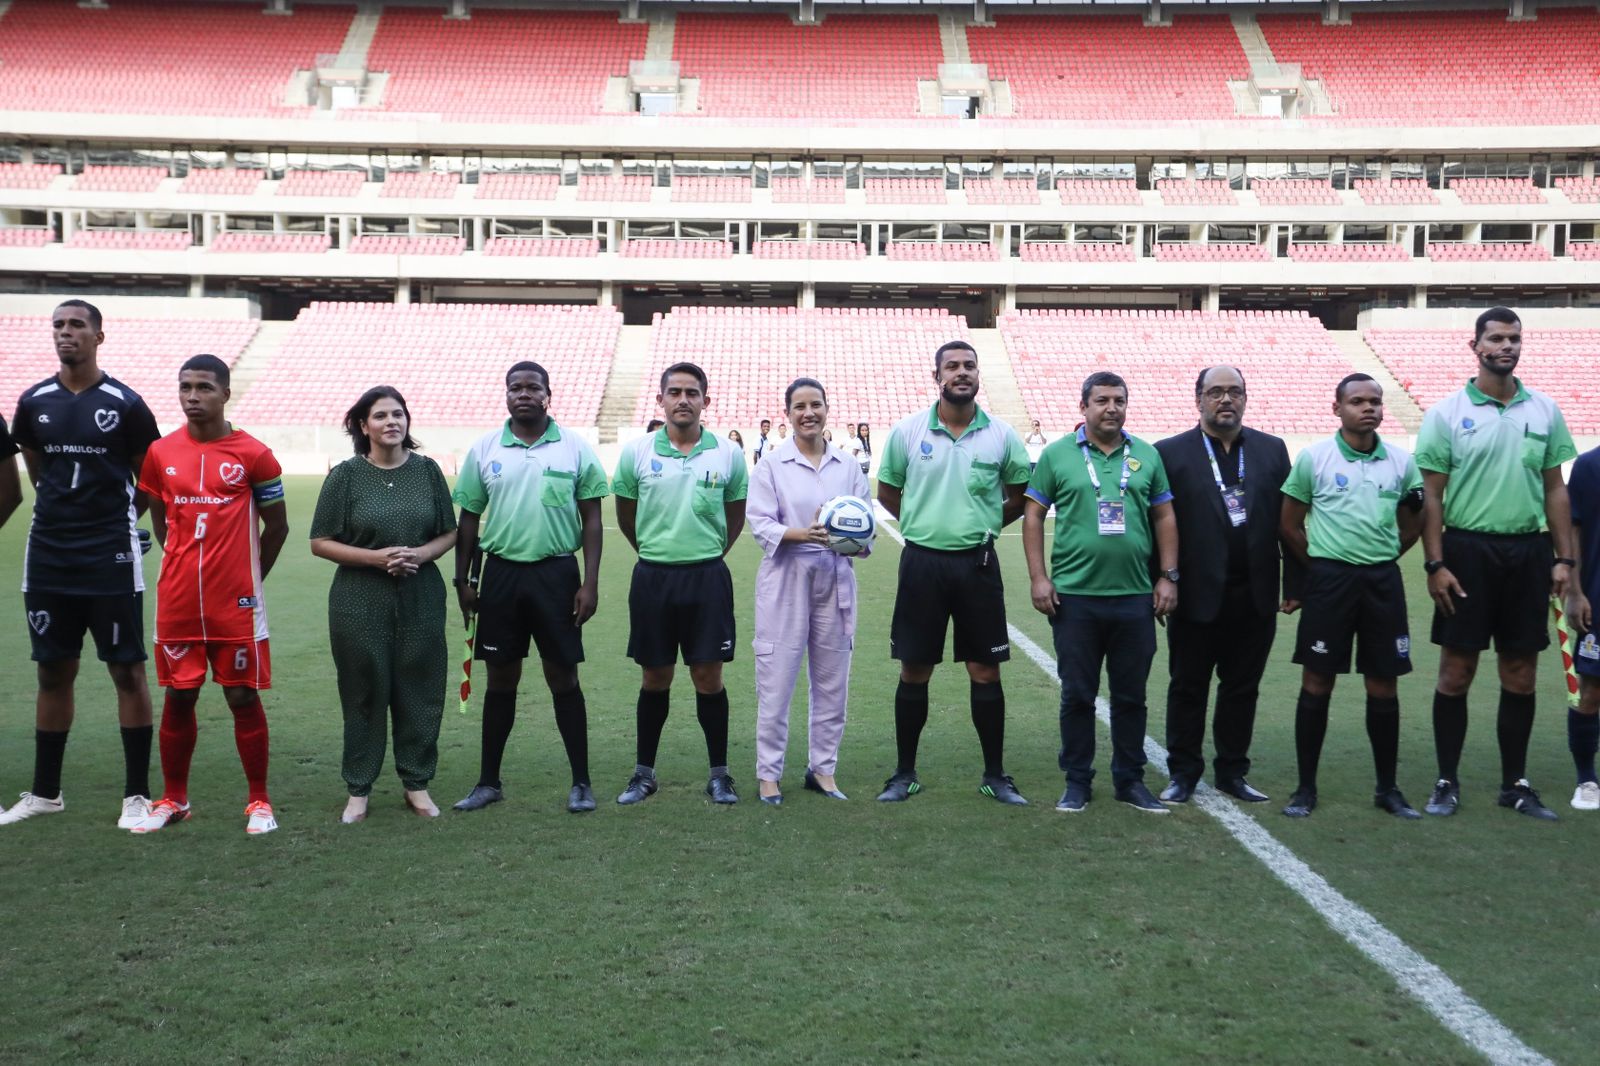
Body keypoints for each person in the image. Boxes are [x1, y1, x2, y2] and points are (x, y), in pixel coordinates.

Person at [1, 300, 161, 829]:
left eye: (77, 326)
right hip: (48, 552)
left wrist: (119, 519)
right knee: (53, 669)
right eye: (59, 326)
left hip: (108, 555)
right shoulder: (33, 402)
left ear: (99, 336)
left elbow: (151, 480)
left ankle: (136, 796)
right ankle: (46, 793)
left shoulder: (127, 404)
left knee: (126, 669)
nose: (65, 334)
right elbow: (37, 471)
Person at [1415, 306, 1578, 821]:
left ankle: (1516, 783)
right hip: (1466, 552)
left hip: (1527, 554)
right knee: (1456, 671)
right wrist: (1434, 562)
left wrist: (1563, 557)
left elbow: (1555, 489)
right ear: (1476, 347)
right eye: (1497, 339)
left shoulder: (1545, 411)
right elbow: (1432, 498)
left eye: (1514, 339)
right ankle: (1446, 781)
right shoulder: (1445, 413)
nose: (1507, 346)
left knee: (1521, 672)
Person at [130, 355, 289, 835]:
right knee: (179, 697)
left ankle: (259, 802)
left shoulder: (255, 454)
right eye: (185, 387)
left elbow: (277, 527)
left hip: (235, 603)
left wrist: (249, 578)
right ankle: (174, 799)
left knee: (241, 697)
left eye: (203, 387)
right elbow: (161, 521)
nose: (192, 397)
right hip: (177, 600)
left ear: (225, 394)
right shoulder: (160, 453)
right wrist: (184, 561)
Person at [876, 340, 1031, 806]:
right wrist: (925, 523)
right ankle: (904, 773)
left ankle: (995, 775)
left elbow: (1019, 495)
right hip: (922, 562)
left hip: (978, 565)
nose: (961, 373)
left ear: (978, 375)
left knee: (985, 670)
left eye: (968, 366)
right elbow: (887, 492)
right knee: (914, 668)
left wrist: (981, 526)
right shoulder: (907, 432)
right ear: (936, 375)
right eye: (952, 366)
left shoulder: (1002, 435)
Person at [451, 362, 607, 815]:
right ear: (506, 395)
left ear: (547, 395)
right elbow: (468, 520)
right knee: (501, 678)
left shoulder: (575, 448)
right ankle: (487, 782)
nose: (523, 393)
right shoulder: (485, 448)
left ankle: (581, 782)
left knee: (563, 677)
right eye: (515, 387)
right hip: (500, 575)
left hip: (557, 575)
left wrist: (590, 582)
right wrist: (463, 580)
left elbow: (593, 519)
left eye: (532, 387)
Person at [1023, 372, 1178, 814]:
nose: (1112, 408)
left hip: (1134, 598)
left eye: (1119, 400)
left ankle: (1130, 780)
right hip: (1075, 599)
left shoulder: (1146, 455)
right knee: (1078, 694)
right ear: (1083, 407)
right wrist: (1039, 577)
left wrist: (1168, 576)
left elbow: (1165, 516)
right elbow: (1033, 516)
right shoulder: (1057, 455)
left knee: (1131, 696)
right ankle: (1077, 781)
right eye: (1102, 401)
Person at [1278, 374, 1424, 820]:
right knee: (1317, 680)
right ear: (1337, 408)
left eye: (1375, 401)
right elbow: (1288, 522)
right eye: (1357, 401)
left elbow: (1414, 521)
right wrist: (1320, 566)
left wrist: (1379, 557)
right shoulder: (1314, 459)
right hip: (1329, 584)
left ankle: (1387, 789)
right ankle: (1305, 789)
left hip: (1382, 582)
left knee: (1383, 681)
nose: (1369, 408)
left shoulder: (1402, 463)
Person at [310, 387, 457, 822]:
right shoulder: (346, 476)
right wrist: (375, 559)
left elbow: (448, 532)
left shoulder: (428, 472)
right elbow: (320, 542)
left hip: (421, 595)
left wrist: (419, 555)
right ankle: (359, 788)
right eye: (380, 416)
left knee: (421, 688)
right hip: (359, 598)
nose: (391, 422)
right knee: (363, 691)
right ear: (363, 425)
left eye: (398, 414)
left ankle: (417, 783)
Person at [1154, 367, 1295, 805]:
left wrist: (1295, 582)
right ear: (1198, 399)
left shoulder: (1272, 450)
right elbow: (1156, 524)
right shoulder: (1170, 453)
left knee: (1242, 689)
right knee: (1188, 686)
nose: (1226, 400)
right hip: (1194, 594)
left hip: (1255, 594)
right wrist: (1161, 580)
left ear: (1246, 398)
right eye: (1215, 392)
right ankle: (1182, 772)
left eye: (1235, 391)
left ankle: (1233, 771)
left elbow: (1289, 522)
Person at [612, 362, 748, 805]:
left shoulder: (727, 454)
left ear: (706, 401)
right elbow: (626, 517)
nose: (683, 399)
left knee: (709, 676)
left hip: (707, 577)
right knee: (655, 675)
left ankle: (720, 775)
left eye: (692, 392)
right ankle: (644, 773)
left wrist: (704, 555)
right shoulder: (636, 453)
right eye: (675, 392)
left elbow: (735, 515)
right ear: (661, 400)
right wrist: (657, 551)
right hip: (653, 577)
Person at [746, 378, 869, 805]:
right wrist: (804, 533)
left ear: (827, 409)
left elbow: (865, 529)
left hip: (835, 577)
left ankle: (823, 770)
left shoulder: (848, 466)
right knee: (776, 680)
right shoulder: (771, 465)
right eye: (799, 406)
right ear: (788, 414)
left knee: (833, 682)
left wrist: (846, 538)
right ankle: (768, 775)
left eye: (815, 404)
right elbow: (759, 523)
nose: (808, 413)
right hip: (785, 578)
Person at [1562, 443, 1600, 810]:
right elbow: (1572, 531)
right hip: (1599, 597)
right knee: (1590, 688)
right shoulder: (1590, 466)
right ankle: (1586, 779)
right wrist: (1574, 591)